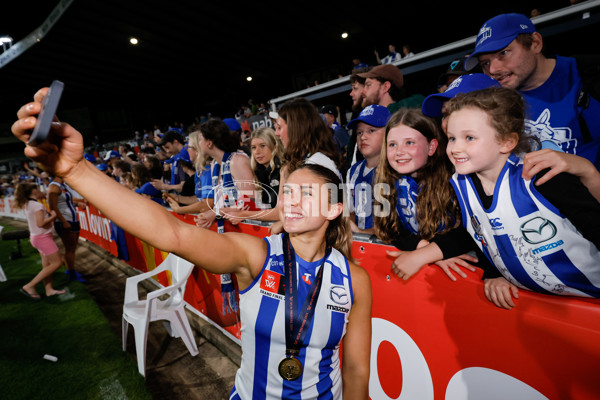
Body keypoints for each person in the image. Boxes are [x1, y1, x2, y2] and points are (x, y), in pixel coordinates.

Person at [12, 90, 372, 397]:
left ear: (334, 208)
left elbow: (356, 369)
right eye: (288, 192)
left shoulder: (354, 279)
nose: (291, 201)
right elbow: (173, 233)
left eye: (306, 194)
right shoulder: (256, 255)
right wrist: (76, 171)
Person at [395, 87, 600, 309]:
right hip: (549, 306)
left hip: (591, 296)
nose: (456, 148)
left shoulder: (541, 178)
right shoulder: (462, 184)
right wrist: (492, 273)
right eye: (452, 138)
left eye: (469, 137)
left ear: (506, 142)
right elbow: (476, 233)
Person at [464, 13, 600, 170]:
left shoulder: (589, 77)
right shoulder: (494, 102)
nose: (493, 69)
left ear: (535, 43)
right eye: (485, 63)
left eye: (503, 53)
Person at [373, 108, 480, 281]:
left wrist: (424, 255)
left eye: (409, 143)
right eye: (392, 144)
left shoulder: (457, 178)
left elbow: (472, 231)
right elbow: (388, 229)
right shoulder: (385, 181)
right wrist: (426, 250)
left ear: (431, 147)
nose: (399, 151)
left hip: (466, 272)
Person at [221, 97, 343, 227]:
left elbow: (322, 215)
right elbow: (282, 210)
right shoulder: (292, 164)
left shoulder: (319, 163)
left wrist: (245, 215)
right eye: (254, 147)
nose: (277, 134)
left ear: (295, 128)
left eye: (279, 127)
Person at [13, 182, 66, 299]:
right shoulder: (36, 206)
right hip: (42, 238)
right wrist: (53, 216)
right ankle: (30, 286)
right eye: (38, 188)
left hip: (38, 237)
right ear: (34, 191)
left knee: (47, 265)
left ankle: (49, 290)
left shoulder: (28, 204)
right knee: (57, 263)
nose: (40, 189)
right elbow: (40, 223)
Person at [345, 105, 391, 234]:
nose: (363, 137)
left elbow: (393, 226)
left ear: (389, 133)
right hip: (360, 243)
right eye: (359, 132)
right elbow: (351, 211)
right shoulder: (353, 170)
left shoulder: (394, 170)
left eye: (371, 131)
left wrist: (361, 232)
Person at [163, 130, 214, 215]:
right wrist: (177, 198)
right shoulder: (201, 170)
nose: (186, 149)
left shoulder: (207, 170)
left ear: (197, 150)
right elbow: (200, 199)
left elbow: (207, 204)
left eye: (188, 146)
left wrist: (179, 209)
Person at [47, 175, 87, 283]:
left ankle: (70, 270)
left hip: (71, 219)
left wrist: (78, 203)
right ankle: (72, 273)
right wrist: (63, 221)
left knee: (71, 248)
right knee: (70, 249)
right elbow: (52, 207)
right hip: (65, 221)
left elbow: (65, 202)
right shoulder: (54, 188)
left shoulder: (62, 186)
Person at [358, 64, 425, 114]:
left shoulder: (403, 115)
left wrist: (388, 110)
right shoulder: (369, 118)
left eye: (368, 85)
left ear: (385, 87)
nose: (363, 91)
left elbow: (420, 100)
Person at [249, 127, 283, 209]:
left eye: (263, 146)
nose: (257, 152)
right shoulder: (258, 171)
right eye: (254, 147)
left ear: (275, 146)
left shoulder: (283, 170)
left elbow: (274, 207)